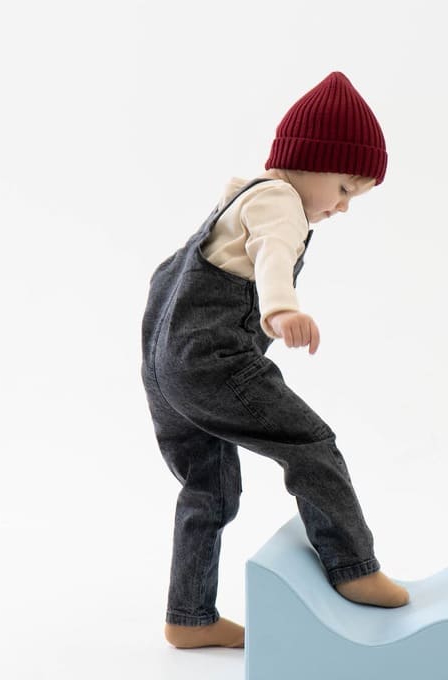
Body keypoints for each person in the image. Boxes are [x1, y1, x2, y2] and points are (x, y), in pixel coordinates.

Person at [140, 71, 409, 650]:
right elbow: (273, 254)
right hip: (214, 362)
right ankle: (352, 567)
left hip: (166, 367)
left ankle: (189, 617)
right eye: (344, 188)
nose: (343, 207)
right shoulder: (277, 201)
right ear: (311, 162)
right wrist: (281, 309)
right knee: (310, 444)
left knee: (207, 492)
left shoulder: (238, 197)